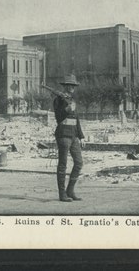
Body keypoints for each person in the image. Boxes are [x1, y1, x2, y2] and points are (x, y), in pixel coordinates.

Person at [52, 74, 85, 202]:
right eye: (69, 85)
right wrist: (66, 109)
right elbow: (58, 118)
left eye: (73, 86)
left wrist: (81, 136)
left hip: (73, 135)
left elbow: (76, 119)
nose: (71, 88)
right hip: (63, 134)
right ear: (65, 86)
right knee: (63, 164)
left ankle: (70, 190)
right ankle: (62, 194)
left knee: (79, 163)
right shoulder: (58, 100)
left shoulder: (72, 100)